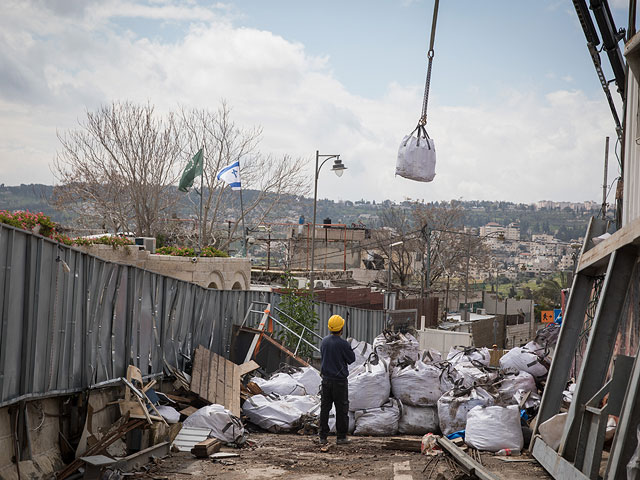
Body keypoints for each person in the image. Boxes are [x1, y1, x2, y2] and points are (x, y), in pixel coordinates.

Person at [319, 314, 355, 445]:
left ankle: (322, 436)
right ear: (341, 328)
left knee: (325, 408)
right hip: (339, 382)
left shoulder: (324, 341)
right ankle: (341, 437)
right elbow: (351, 359)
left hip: (326, 381)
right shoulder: (343, 344)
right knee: (341, 409)